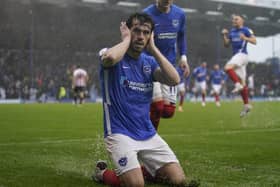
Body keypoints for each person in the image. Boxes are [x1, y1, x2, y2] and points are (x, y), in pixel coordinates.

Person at [94, 13, 198, 187]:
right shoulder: (110, 53)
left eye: (146, 32)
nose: (141, 36)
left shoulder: (149, 62)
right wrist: (126, 39)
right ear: (127, 31)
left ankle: (146, 170)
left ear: (151, 36)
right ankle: (102, 174)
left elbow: (174, 80)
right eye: (136, 31)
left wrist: (154, 49)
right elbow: (110, 58)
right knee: (136, 185)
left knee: (178, 180)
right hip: (120, 133)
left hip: (148, 134)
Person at [143, 0, 190, 130]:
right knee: (157, 107)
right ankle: (150, 138)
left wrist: (183, 58)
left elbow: (181, 36)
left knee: (168, 112)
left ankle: (145, 112)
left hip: (169, 66)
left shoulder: (179, 14)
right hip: (151, 65)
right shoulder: (147, 15)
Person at [221, 14, 257, 117]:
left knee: (227, 68)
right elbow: (227, 44)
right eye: (233, 19)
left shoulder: (246, 30)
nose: (234, 20)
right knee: (243, 84)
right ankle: (246, 105)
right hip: (237, 57)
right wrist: (224, 35)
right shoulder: (232, 32)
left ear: (242, 21)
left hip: (242, 55)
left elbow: (255, 41)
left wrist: (245, 38)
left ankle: (237, 85)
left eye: (236, 19)